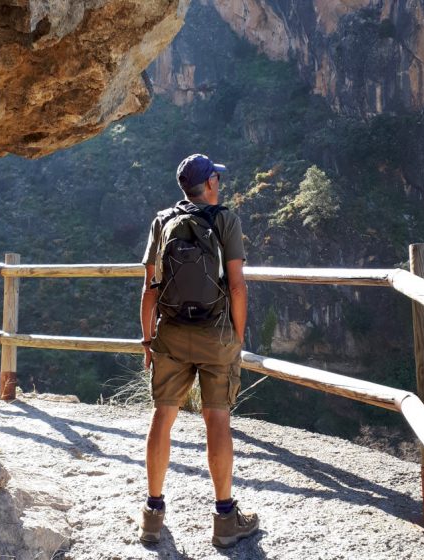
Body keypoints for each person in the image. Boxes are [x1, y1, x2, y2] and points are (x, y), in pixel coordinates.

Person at [138, 153, 259, 548]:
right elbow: (238, 286)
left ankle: (152, 515)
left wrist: (147, 340)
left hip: (170, 332)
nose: (219, 185)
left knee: (163, 416)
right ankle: (225, 519)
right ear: (207, 185)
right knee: (217, 420)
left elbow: (149, 289)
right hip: (216, 333)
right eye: (216, 180)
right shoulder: (225, 219)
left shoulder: (161, 221)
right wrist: (237, 337)